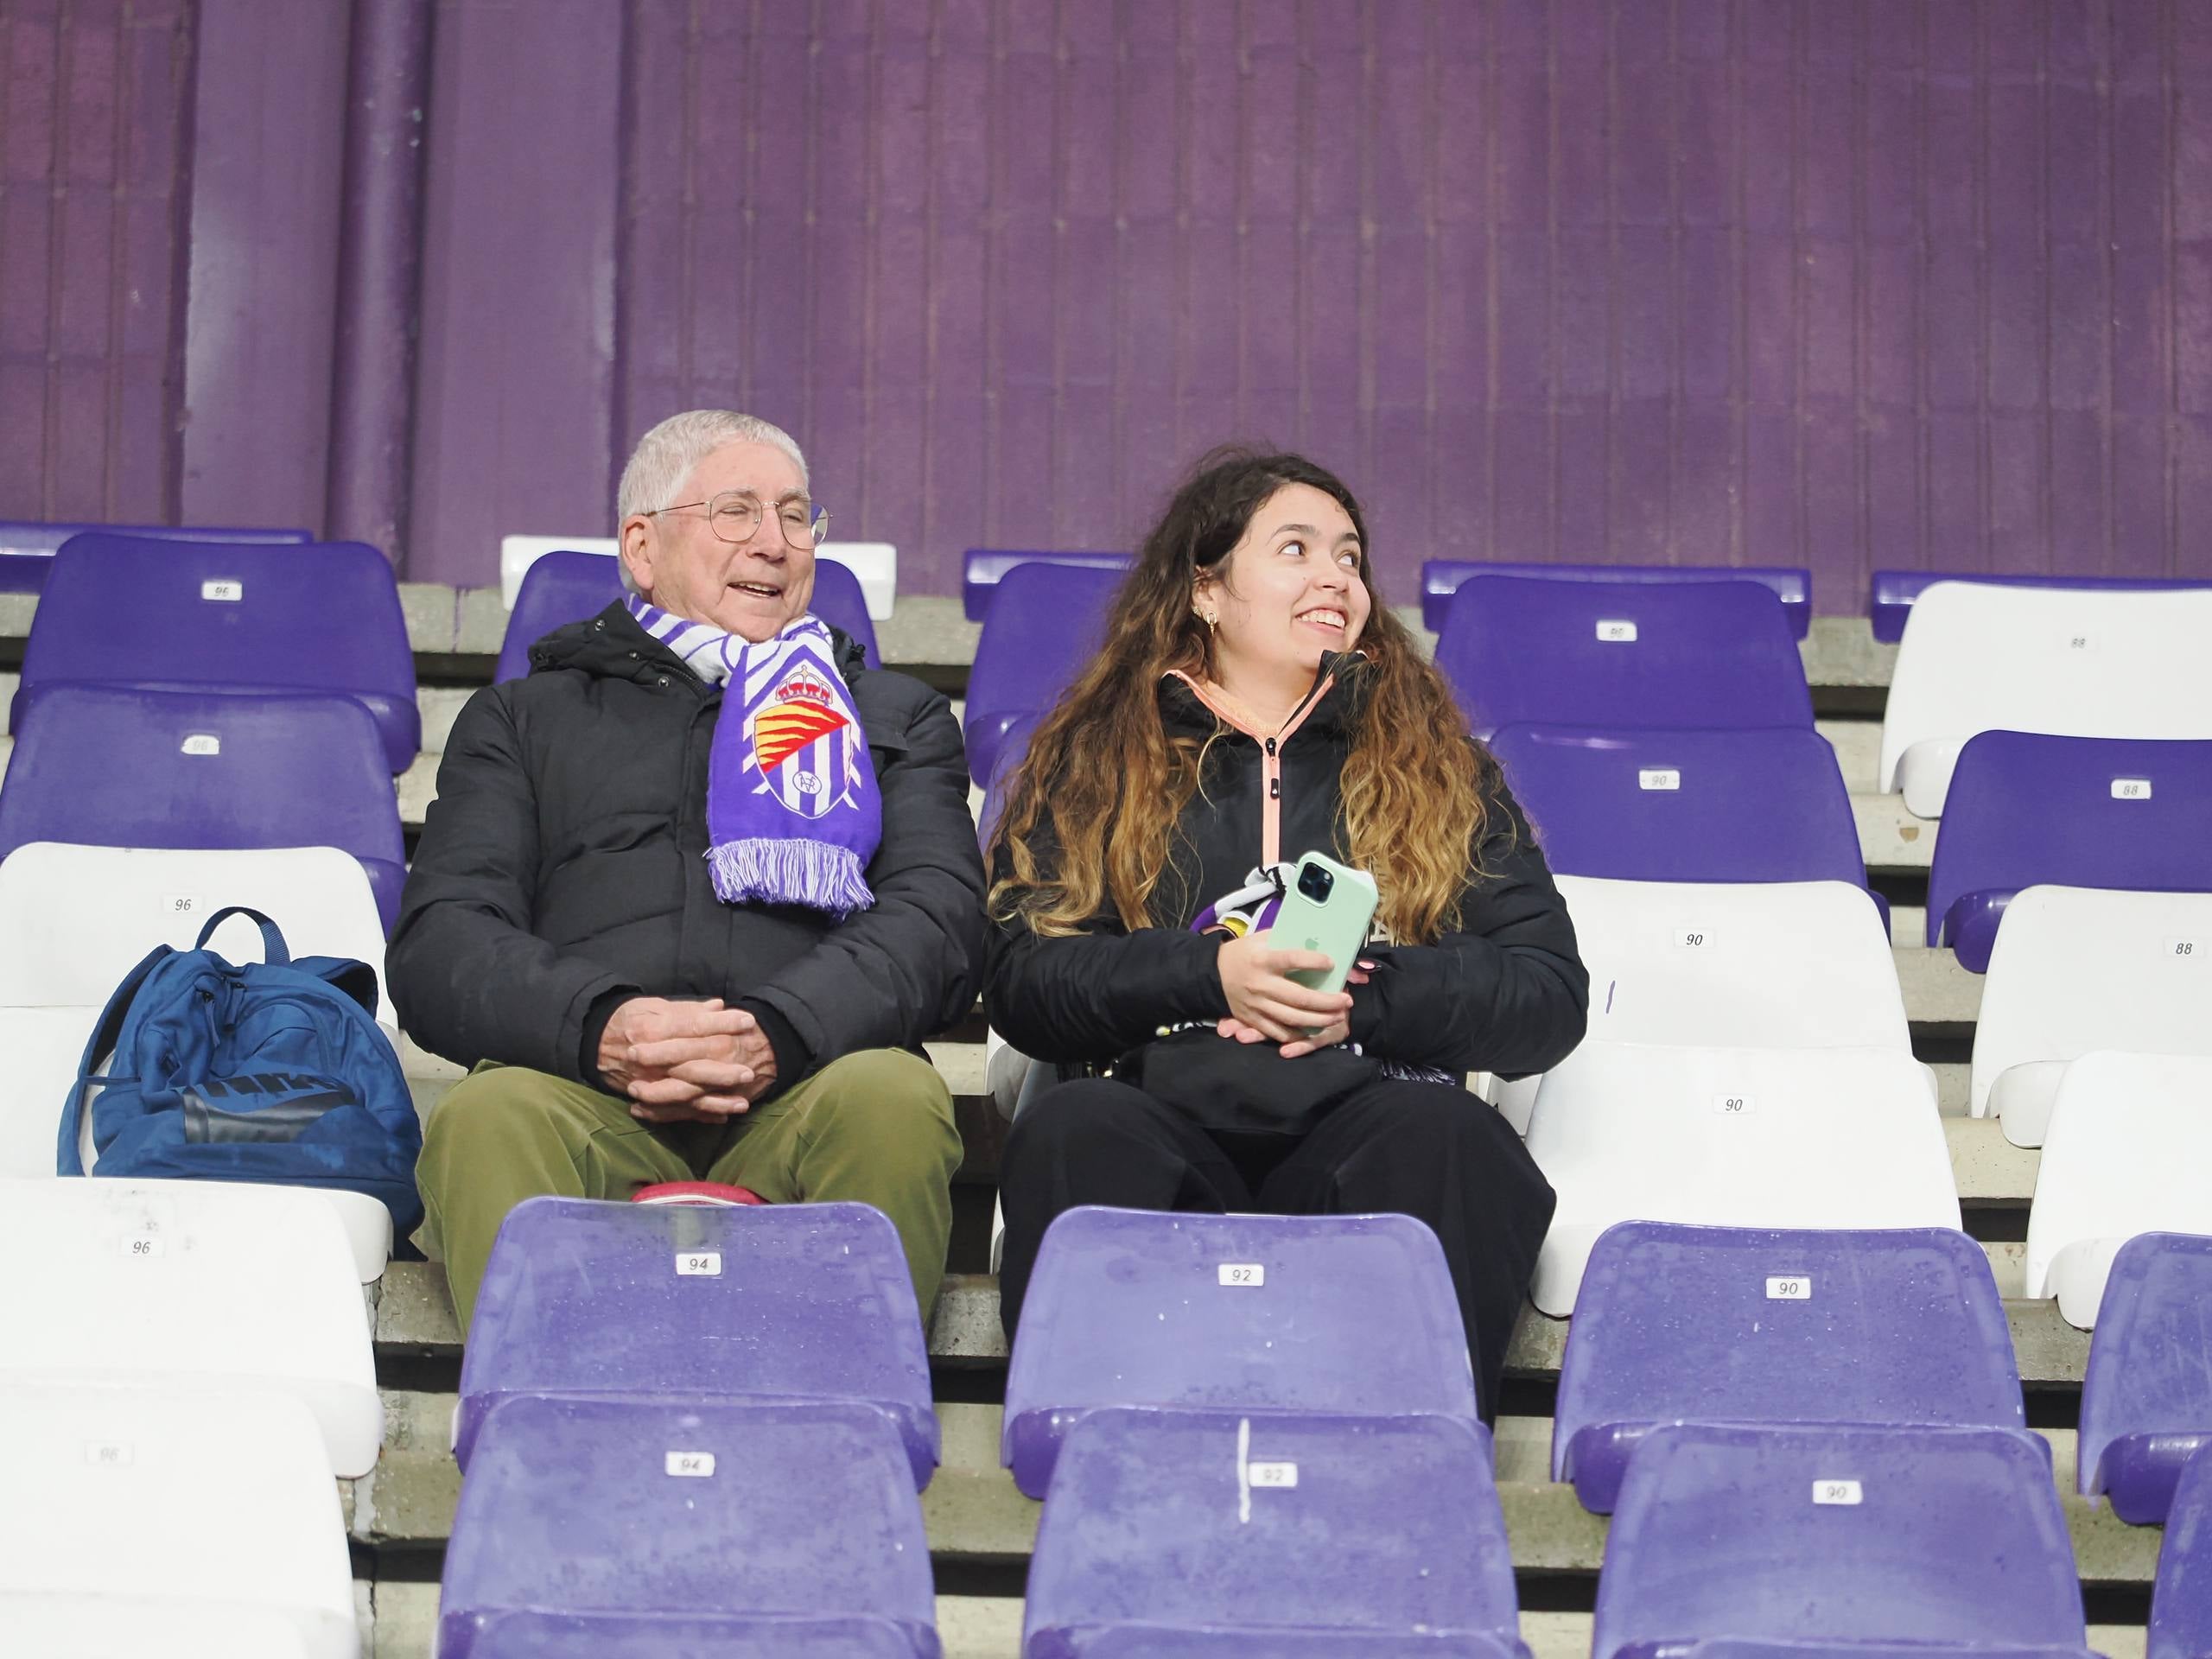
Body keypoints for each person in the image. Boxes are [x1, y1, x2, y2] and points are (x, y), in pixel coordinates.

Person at [984, 449, 1586, 1414]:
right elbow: (1022, 980)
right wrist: (1205, 976)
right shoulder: (1099, 760)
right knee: (1074, 1128)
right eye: (1295, 549)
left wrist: (1367, 1000)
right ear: (1208, 591)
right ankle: (1097, 1460)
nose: (1335, 577)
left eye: (1349, 556)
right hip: (1158, 1110)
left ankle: (1411, 1463)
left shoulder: (1438, 767)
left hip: (1365, 1115)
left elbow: (1545, 996)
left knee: (1451, 1138)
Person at [391, 410, 985, 1332]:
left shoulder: (889, 715)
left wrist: (777, 1031)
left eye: (795, 517)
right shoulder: (525, 718)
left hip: (809, 1081)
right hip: (586, 1087)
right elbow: (444, 940)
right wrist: (605, 1026)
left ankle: (841, 1444)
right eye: (737, 512)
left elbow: (940, 918)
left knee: (894, 1098)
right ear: (642, 545)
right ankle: (554, 1447)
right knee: (487, 1114)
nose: (775, 544)